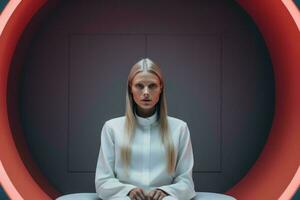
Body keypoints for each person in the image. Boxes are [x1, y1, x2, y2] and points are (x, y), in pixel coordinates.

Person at [95, 58, 196, 200]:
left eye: (152, 86)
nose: (146, 92)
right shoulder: (112, 128)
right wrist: (128, 191)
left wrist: (166, 191)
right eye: (140, 86)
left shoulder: (180, 128)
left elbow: (186, 183)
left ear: (161, 88)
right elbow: (103, 182)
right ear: (131, 88)